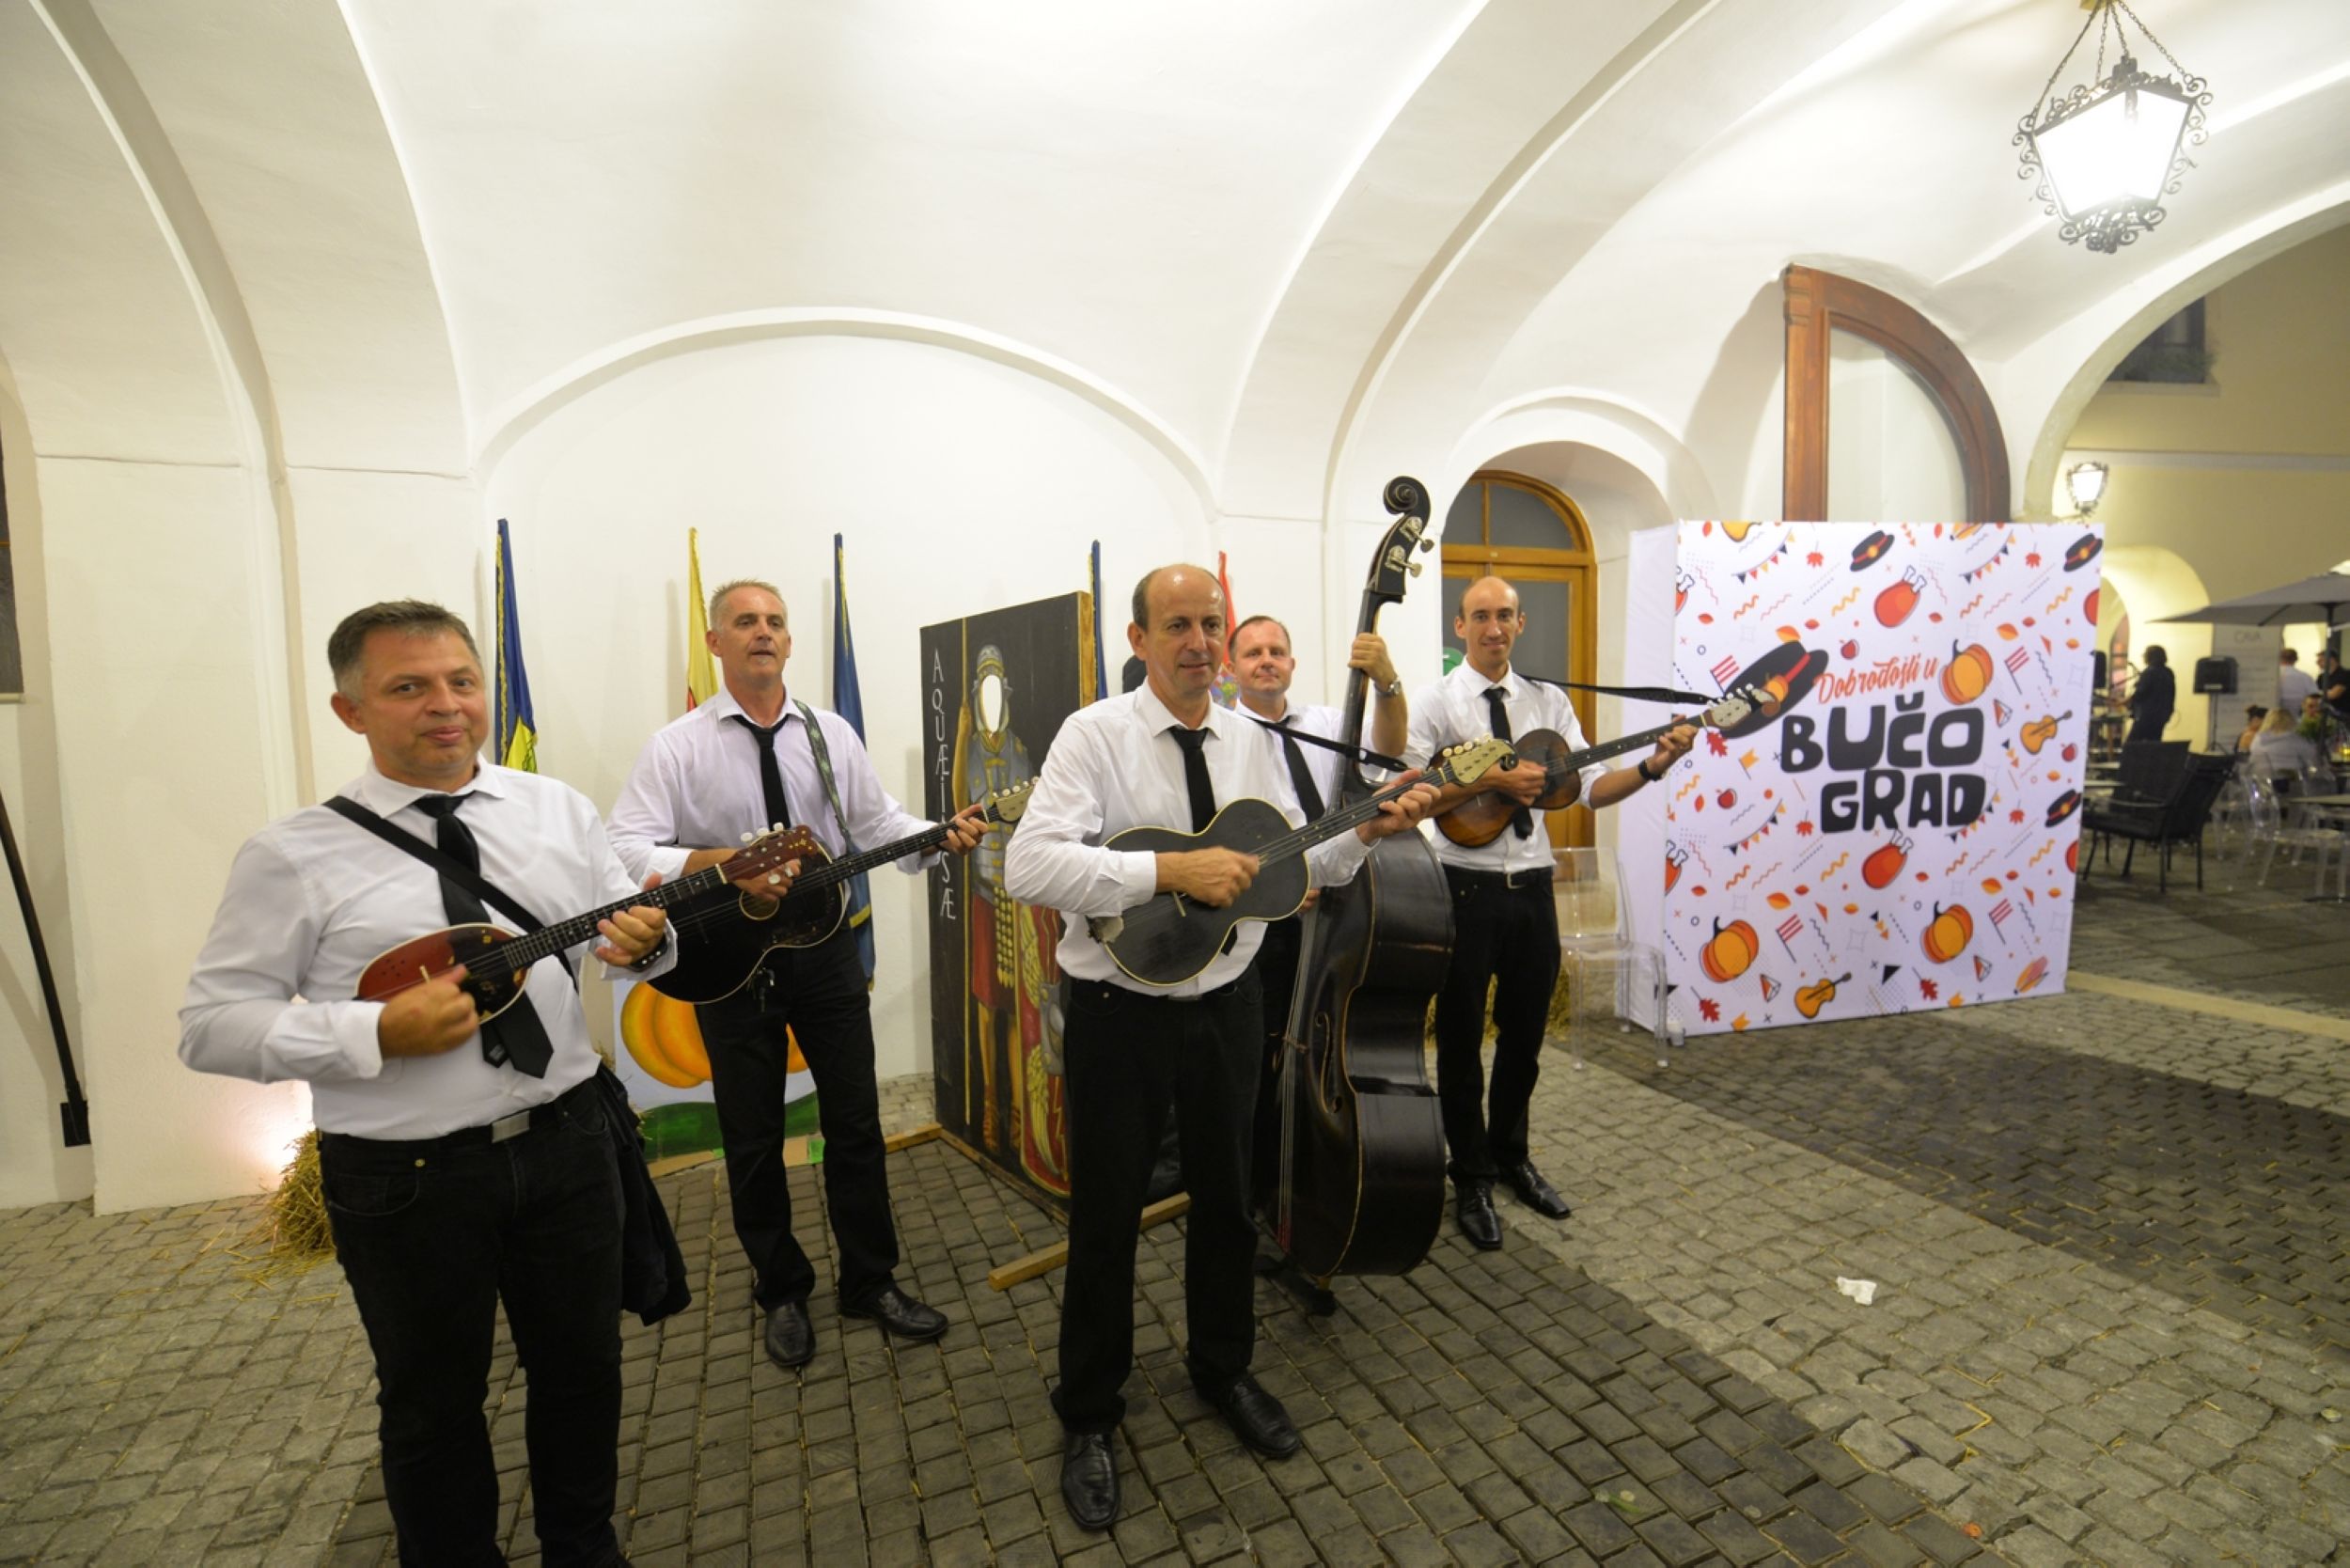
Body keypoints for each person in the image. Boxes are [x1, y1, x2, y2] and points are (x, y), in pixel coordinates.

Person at [181, 601, 670, 1568]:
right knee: (433, 1405)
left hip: (568, 1142)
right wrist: (371, 1030)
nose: (445, 705)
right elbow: (210, 1024)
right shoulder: (293, 854)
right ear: (351, 710)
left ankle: (584, 1547)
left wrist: (649, 943)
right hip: (406, 1178)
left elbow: (624, 932)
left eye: (461, 681)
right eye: (409, 686)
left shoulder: (557, 809)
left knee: (584, 1372)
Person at [1003, 564, 1437, 1532]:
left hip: (1229, 1004)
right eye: (1178, 625)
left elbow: (1301, 861)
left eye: (1212, 623)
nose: (1199, 642)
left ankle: (1222, 1367)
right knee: (1108, 1215)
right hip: (1117, 1010)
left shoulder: (1252, 740)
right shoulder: (1094, 735)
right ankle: (1089, 1410)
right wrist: (1168, 869)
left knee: (1229, 1201)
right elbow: (1027, 863)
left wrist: (1368, 832)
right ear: (1139, 638)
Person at [608, 579, 985, 1371]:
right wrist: (724, 864)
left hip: (825, 952)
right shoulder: (677, 746)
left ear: (788, 641)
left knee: (855, 1123)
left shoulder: (828, 732)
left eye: (776, 622)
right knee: (752, 1136)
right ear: (715, 642)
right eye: (745, 621)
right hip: (728, 963)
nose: (764, 632)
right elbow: (625, 847)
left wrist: (936, 833)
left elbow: (876, 822)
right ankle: (780, 1288)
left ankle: (870, 1280)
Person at [1404, 575, 1696, 1251]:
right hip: (1462, 886)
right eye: (1480, 616)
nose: (1493, 628)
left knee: (1526, 1036)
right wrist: (1491, 780)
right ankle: (1470, 1175)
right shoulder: (1437, 702)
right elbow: (1411, 789)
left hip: (1533, 887)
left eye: (1504, 615)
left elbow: (1591, 789)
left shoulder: (1549, 701)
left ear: (1520, 623)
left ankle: (1512, 1156)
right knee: (1460, 1039)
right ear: (1460, 626)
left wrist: (1653, 766)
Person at [1227, 613, 1408, 1217]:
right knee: (1264, 1055)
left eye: (1276, 650)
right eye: (1253, 652)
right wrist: (1276, 884)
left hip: (1343, 902)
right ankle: (1255, 1190)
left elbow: (1389, 750)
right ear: (1232, 667)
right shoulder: (1223, 737)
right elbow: (1223, 832)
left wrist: (1386, 682)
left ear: (1292, 662)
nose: (1266, 660)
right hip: (1268, 924)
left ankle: (1321, 1167)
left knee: (1331, 1040)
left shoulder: (1330, 723)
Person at [2250, 706, 2321, 788]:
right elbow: (2314, 761)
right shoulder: (2296, 741)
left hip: (2264, 786)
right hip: (2294, 786)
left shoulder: (2257, 741)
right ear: (2290, 722)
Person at [2126, 645, 2175, 745]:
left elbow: (2140, 694)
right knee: (2153, 745)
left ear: (2150, 656)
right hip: (2162, 716)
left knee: (2132, 745)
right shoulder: (2168, 672)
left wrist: (2124, 701)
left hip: (2146, 717)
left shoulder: (2149, 672)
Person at [2277, 649, 2318, 713]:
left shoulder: (2271, 676)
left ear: (2279, 658)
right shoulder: (2305, 677)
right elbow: (2314, 697)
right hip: (2298, 715)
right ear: (2296, 659)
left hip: (2272, 716)